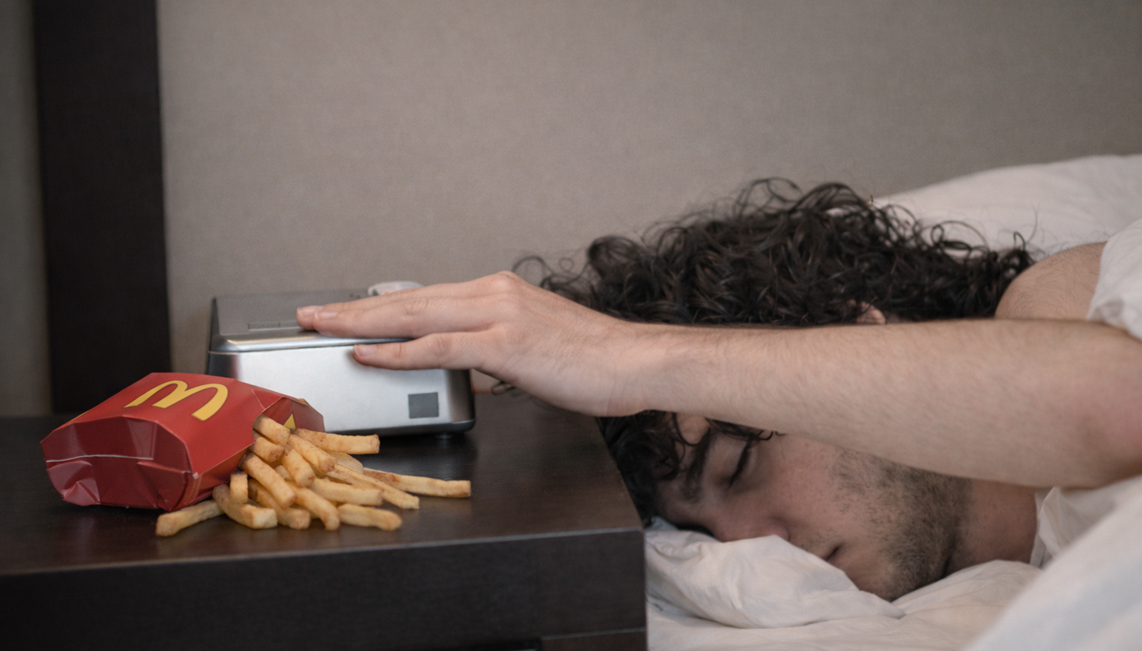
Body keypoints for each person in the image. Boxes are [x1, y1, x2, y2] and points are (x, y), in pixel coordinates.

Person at [296, 179, 1142, 602]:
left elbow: (1118, 402)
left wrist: (641, 356)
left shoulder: (1060, 302)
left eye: (738, 465)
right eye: (704, 531)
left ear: (865, 332)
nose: (754, 546)